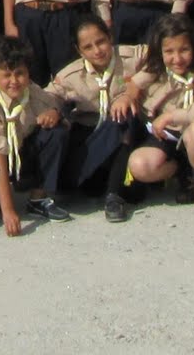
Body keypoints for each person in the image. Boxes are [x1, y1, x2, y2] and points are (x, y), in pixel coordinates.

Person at [0, 35, 71, 233]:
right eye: (7, 75)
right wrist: (9, 211)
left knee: (56, 132)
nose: (14, 81)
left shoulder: (33, 92)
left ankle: (38, 198)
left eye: (20, 73)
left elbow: (56, 108)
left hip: (21, 153)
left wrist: (53, 114)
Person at [123, 14, 194, 216]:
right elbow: (134, 84)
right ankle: (181, 173)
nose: (177, 58)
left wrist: (172, 116)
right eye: (169, 51)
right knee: (139, 165)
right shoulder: (156, 67)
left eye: (184, 50)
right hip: (169, 136)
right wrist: (127, 96)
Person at [45, 14, 146, 222]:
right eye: (88, 47)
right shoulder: (71, 75)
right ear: (79, 50)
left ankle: (114, 196)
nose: (97, 50)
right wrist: (54, 111)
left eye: (101, 41)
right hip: (91, 139)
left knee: (124, 116)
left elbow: (161, 57)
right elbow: (47, 97)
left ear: (110, 37)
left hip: (123, 134)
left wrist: (131, 91)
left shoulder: (131, 57)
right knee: (92, 187)